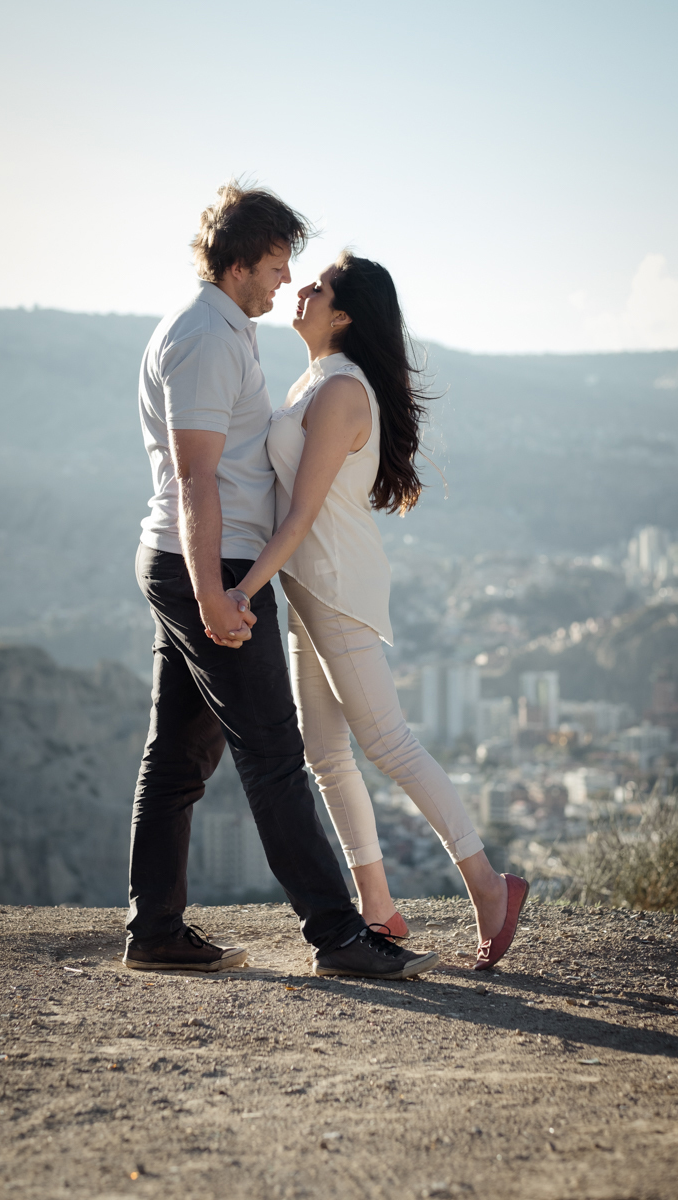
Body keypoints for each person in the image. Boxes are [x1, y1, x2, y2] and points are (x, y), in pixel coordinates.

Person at [124, 182, 439, 982]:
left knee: (177, 758)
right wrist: (211, 596)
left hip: (202, 562)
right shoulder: (207, 338)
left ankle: (154, 930)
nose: (281, 282)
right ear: (236, 264)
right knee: (272, 751)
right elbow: (199, 479)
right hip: (213, 566)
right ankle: (338, 935)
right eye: (272, 265)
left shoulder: (217, 331)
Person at [214, 251, 529, 970]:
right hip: (310, 588)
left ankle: (488, 886)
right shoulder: (315, 381)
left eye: (317, 287)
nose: (301, 290)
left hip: (335, 586)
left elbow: (300, 515)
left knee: (388, 743)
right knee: (326, 755)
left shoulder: (339, 394)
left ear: (346, 314)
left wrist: (242, 589)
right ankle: (378, 908)